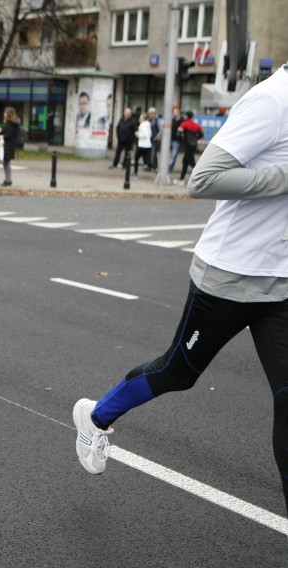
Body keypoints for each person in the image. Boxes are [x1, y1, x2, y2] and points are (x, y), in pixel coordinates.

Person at [73, 61, 288, 516]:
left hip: (282, 282)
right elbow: (203, 179)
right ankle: (96, 416)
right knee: (178, 372)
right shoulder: (273, 100)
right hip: (228, 275)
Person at [174, 110, 204, 185]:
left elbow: (178, 133)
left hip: (187, 145)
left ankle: (202, 178)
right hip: (194, 145)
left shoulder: (184, 124)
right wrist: (196, 139)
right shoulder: (196, 124)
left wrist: (182, 140)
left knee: (192, 163)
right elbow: (201, 134)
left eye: (185, 115)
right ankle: (181, 179)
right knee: (185, 161)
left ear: (187, 116)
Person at [0, 106, 21, 187]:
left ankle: (8, 180)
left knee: (6, 162)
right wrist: (1, 131)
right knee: (5, 162)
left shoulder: (10, 124)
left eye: (5, 113)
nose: (4, 114)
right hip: (11, 145)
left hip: (8, 145)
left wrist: (1, 136)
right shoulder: (14, 123)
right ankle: (7, 179)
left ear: (8, 114)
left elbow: (8, 134)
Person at [132, 112, 152, 179]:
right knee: (147, 160)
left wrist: (138, 134)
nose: (139, 119)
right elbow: (150, 134)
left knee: (136, 159)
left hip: (142, 145)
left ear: (143, 119)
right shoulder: (148, 125)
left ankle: (135, 173)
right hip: (148, 145)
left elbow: (145, 135)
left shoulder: (142, 125)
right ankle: (156, 168)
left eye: (140, 118)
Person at [168, 105, 184, 172]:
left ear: (179, 112)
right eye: (174, 112)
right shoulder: (172, 119)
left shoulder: (182, 120)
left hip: (177, 140)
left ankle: (169, 168)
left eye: (176, 112)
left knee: (174, 154)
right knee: (171, 154)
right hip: (171, 139)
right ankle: (170, 167)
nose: (175, 113)